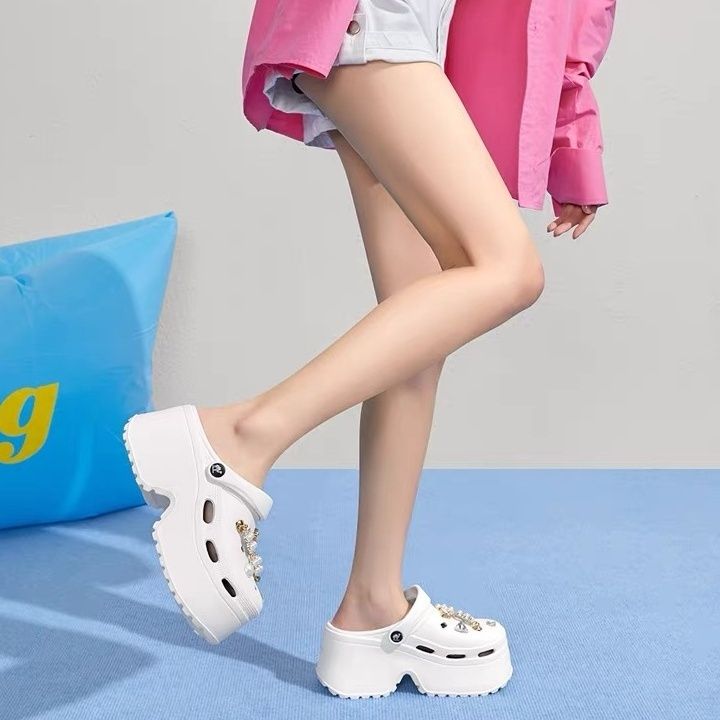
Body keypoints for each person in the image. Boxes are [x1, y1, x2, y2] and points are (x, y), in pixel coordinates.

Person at [123, 0, 617, 699]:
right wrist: (572, 139)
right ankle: (239, 436)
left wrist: (572, 138)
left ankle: (371, 610)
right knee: (507, 271)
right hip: (378, 19)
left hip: (416, 34)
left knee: (416, 328)